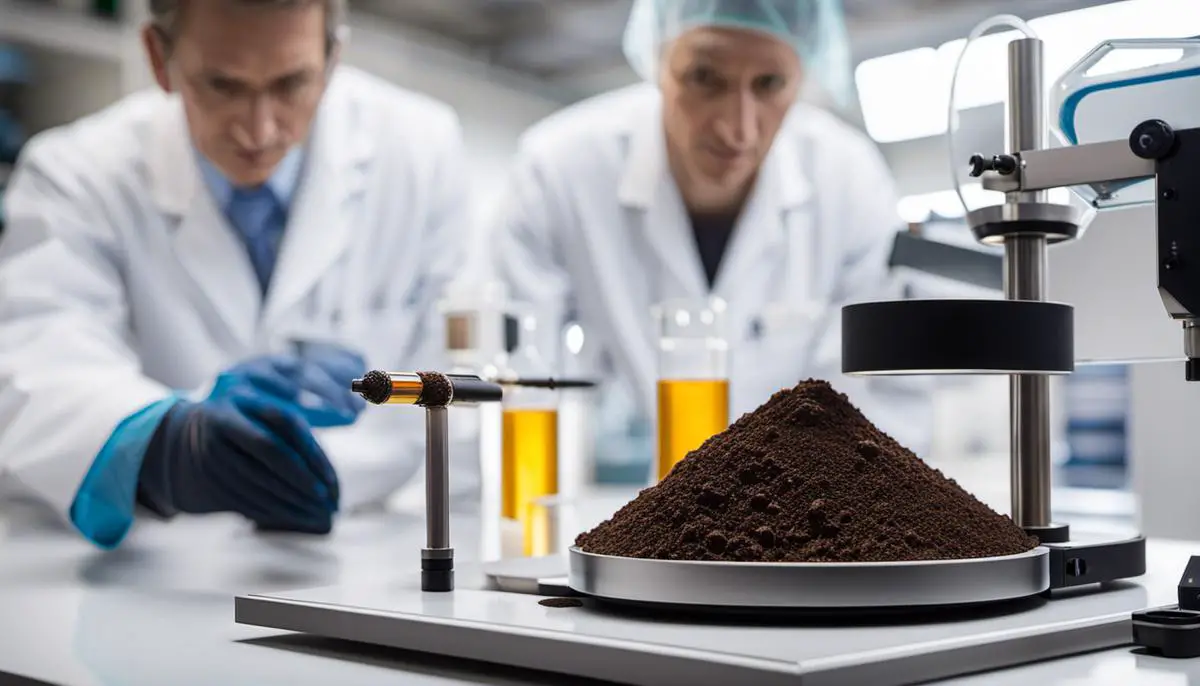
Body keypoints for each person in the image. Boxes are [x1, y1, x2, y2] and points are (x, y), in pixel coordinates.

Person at [0, 0, 469, 549]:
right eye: (223, 86)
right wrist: (172, 447)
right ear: (158, 57)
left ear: (332, 59)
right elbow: (36, 366)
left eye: (292, 84)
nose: (259, 128)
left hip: (362, 549)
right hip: (158, 563)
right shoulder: (76, 175)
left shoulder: (420, 151)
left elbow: (467, 386)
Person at [489, 0, 932, 455]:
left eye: (769, 83)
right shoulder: (560, 171)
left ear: (804, 72)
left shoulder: (850, 180)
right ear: (657, 61)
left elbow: (881, 407)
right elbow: (504, 382)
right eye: (704, 77)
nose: (735, 129)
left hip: (816, 505)